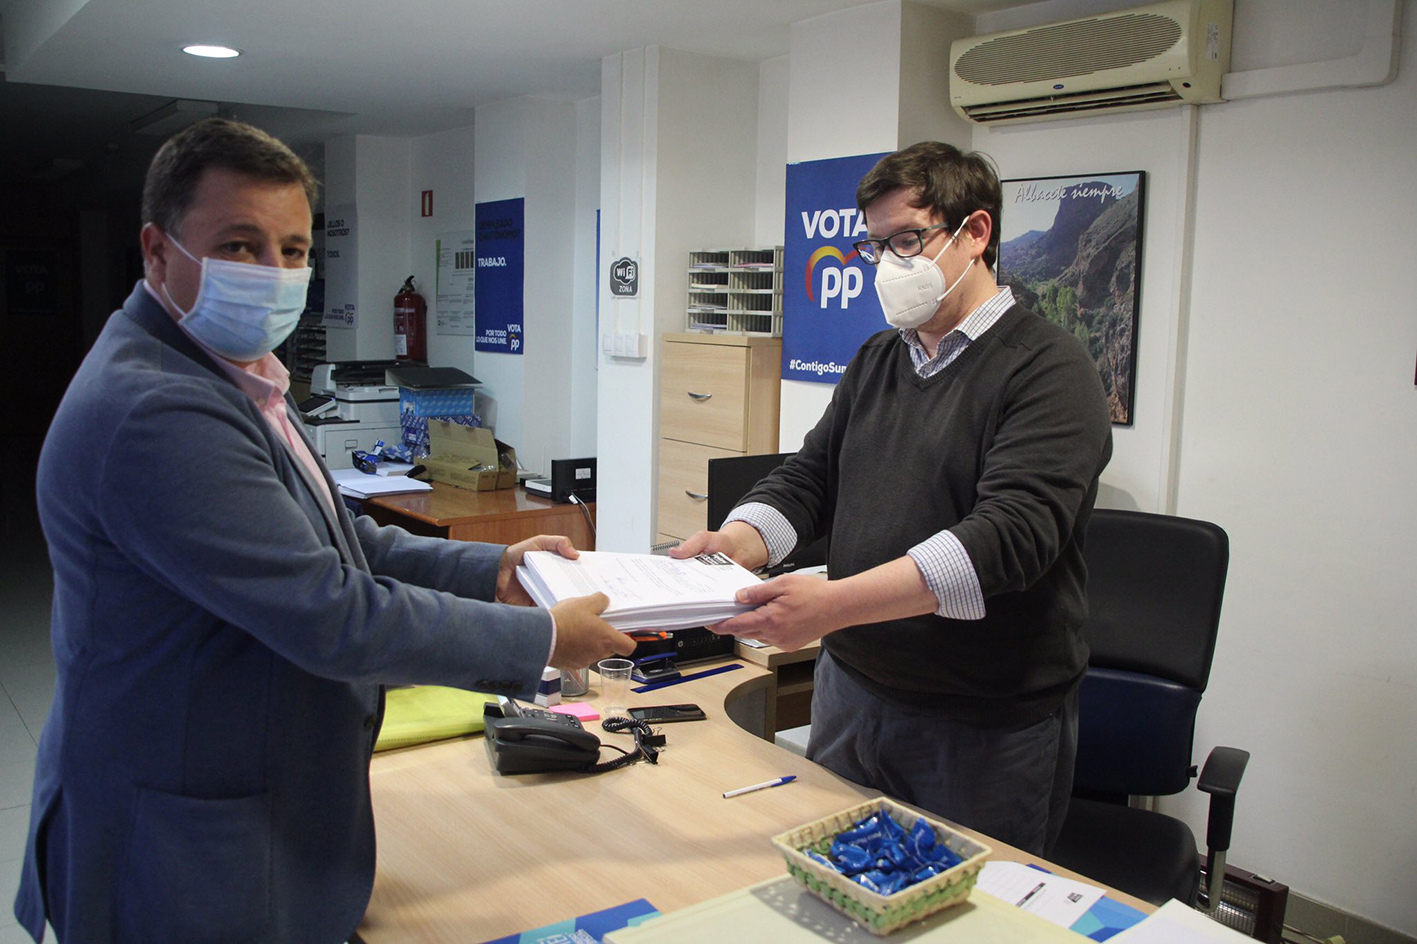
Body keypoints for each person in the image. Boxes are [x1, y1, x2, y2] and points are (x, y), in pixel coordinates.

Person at [12, 118, 633, 944]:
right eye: (240, 245)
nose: (274, 274)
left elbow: (344, 541)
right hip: (182, 837)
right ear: (157, 252)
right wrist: (539, 640)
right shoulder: (158, 406)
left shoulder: (240, 377)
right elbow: (329, 613)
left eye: (293, 250)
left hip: (257, 795)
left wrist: (489, 568)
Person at [672, 141, 1112, 855]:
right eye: (875, 245)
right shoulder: (881, 356)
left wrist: (831, 605)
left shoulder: (1050, 370)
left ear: (975, 233)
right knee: (838, 888)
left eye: (907, 239)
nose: (889, 264)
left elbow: (1004, 541)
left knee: (966, 920)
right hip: (853, 692)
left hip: (980, 724)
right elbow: (812, 477)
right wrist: (737, 542)